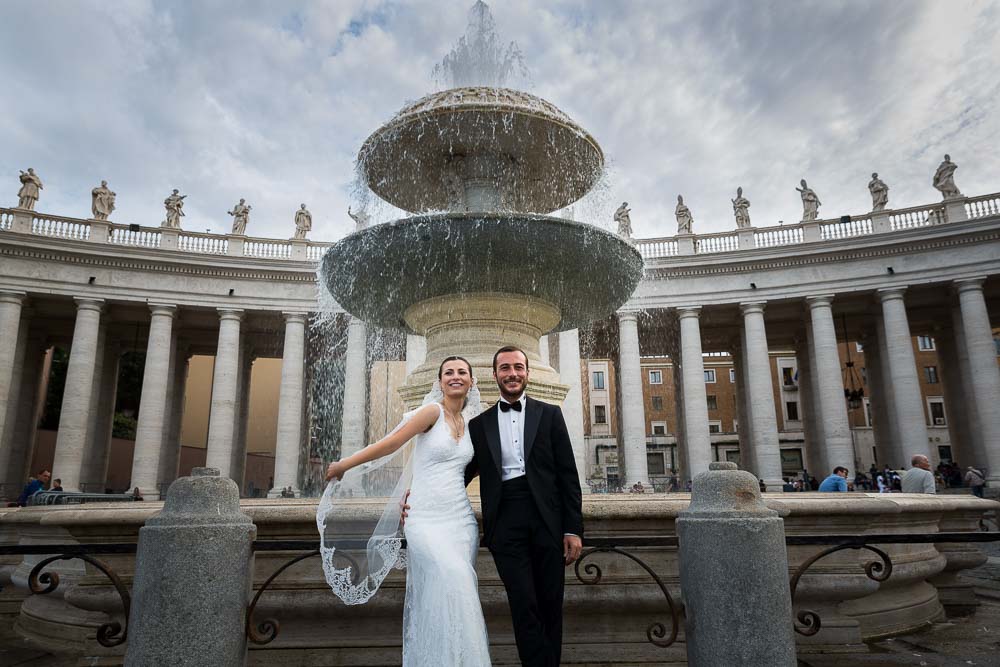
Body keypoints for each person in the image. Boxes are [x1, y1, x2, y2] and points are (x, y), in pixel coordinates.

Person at [324, 356, 490, 664]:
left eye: (462, 372)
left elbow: (480, 468)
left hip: (460, 521)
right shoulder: (431, 412)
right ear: (440, 381)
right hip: (424, 517)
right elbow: (391, 442)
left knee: (456, 594)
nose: (455, 376)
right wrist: (346, 464)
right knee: (451, 579)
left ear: (471, 381)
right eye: (448, 372)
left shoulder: (471, 424)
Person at [465, 346, 584, 666]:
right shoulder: (479, 425)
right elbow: (459, 472)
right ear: (495, 375)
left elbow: (568, 475)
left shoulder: (550, 414)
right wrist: (420, 496)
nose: (512, 373)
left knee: (550, 604)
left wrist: (573, 528)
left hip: (548, 519)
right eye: (505, 368)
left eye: (518, 367)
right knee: (523, 603)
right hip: (504, 521)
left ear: (527, 372)